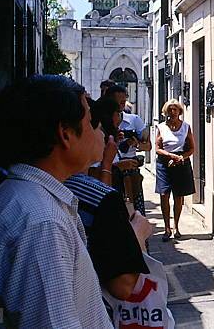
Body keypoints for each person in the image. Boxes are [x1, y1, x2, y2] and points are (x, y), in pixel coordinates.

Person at [0, 75, 113, 328]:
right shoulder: (42, 223)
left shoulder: (22, 199)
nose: (97, 131)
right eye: (90, 122)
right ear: (65, 134)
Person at [64, 99, 152, 301]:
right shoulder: (99, 197)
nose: (103, 135)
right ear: (66, 134)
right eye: (92, 125)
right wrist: (136, 235)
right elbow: (123, 285)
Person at [105, 85, 151, 216]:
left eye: (123, 101)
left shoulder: (134, 120)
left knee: (135, 210)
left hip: (130, 170)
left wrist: (135, 144)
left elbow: (148, 146)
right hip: (110, 170)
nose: (121, 105)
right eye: (118, 102)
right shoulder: (102, 123)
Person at [155, 99, 195, 242]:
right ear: (166, 112)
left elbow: (192, 148)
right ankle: (167, 228)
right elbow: (158, 148)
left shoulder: (186, 127)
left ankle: (176, 226)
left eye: (175, 110)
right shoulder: (161, 127)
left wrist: (179, 157)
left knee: (178, 196)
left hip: (181, 163)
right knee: (164, 194)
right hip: (164, 164)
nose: (172, 112)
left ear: (179, 112)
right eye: (170, 110)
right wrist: (170, 155)